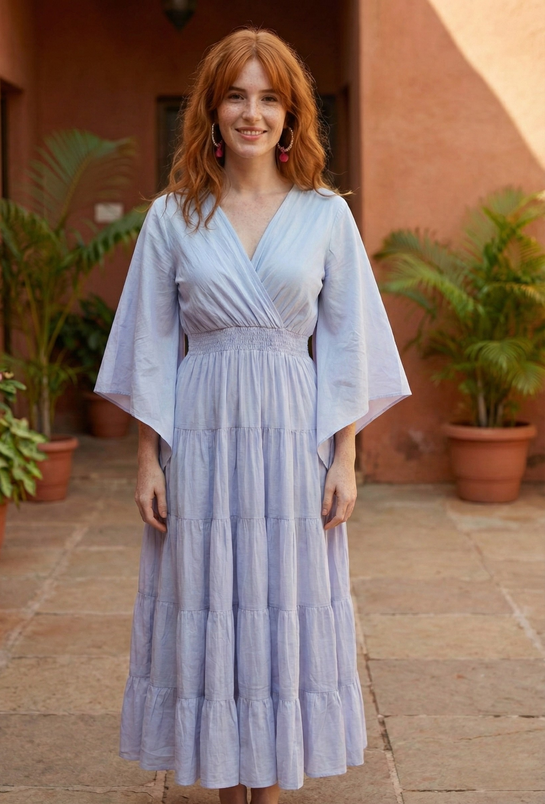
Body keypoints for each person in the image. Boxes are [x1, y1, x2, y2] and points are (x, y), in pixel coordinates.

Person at [95, 26, 411, 804]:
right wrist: (146, 460)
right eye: (236, 94)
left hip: (293, 437)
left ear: (292, 114)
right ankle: (225, 772)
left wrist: (347, 459)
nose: (252, 112)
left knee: (285, 599)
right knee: (207, 594)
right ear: (210, 108)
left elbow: (347, 346)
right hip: (200, 435)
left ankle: (269, 787)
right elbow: (149, 346)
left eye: (269, 97)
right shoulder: (172, 217)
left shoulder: (325, 214)